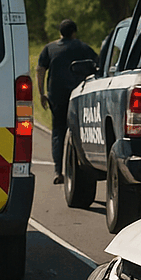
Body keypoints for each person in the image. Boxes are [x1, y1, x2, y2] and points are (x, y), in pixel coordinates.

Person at [37, 19, 97, 184]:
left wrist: (42, 93)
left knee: (58, 132)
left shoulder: (50, 48)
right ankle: (81, 170)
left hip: (56, 96)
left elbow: (40, 69)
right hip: (78, 96)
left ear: (60, 33)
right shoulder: (82, 47)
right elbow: (97, 65)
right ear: (74, 32)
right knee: (79, 131)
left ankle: (58, 171)